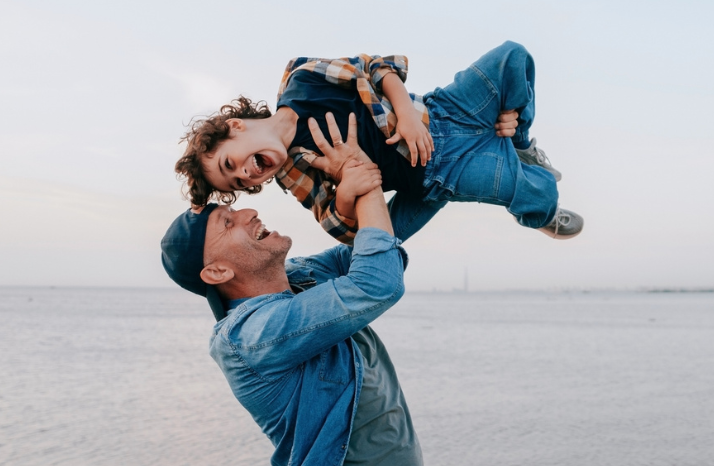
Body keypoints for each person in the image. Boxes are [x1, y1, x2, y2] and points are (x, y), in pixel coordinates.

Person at [161, 120, 422, 465]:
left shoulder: (300, 276)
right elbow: (377, 282)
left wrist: (460, 148)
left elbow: (381, 240)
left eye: (235, 210)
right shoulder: (248, 337)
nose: (250, 212)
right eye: (228, 223)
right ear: (217, 272)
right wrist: (364, 180)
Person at [175, 41, 583, 244]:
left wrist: (405, 113)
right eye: (239, 184)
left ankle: (520, 142)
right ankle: (540, 214)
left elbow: (372, 67)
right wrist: (346, 187)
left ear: (236, 127)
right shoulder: (294, 171)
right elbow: (337, 224)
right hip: (437, 172)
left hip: (440, 111)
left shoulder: (301, 79)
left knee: (513, 57)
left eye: (232, 165)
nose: (246, 176)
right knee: (538, 191)